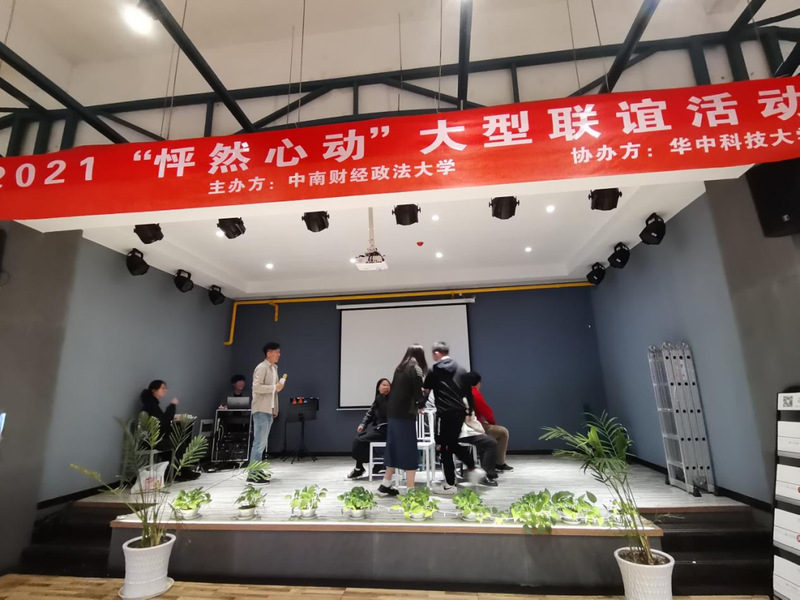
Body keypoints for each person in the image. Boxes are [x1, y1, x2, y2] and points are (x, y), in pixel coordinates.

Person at [423, 342, 486, 495]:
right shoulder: (461, 369)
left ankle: (451, 484)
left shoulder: (435, 370)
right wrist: (469, 410)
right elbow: (468, 393)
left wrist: (420, 404)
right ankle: (472, 468)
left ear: (437, 353)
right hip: (459, 412)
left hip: (444, 413)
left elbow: (426, 389)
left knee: (444, 447)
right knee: (451, 444)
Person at [381, 345, 428, 497]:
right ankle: (410, 490)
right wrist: (423, 401)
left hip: (393, 413)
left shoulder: (399, 368)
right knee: (409, 450)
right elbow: (418, 393)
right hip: (405, 414)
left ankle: (385, 484)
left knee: (393, 447)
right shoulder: (416, 369)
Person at [249, 342, 285, 483]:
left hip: (268, 410)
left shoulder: (274, 368)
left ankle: (257, 471)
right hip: (261, 409)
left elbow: (274, 392)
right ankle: (253, 474)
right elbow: (256, 388)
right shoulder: (262, 367)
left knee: (262, 444)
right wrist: (274, 387)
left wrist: (274, 409)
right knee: (259, 443)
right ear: (268, 353)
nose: (279, 355)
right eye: (277, 352)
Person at [469, 371, 513, 471]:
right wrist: (492, 423)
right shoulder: (475, 394)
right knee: (503, 432)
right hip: (474, 426)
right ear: (478, 383)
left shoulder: (459, 393)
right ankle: (499, 463)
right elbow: (487, 412)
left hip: (461, 428)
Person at [348, 378, 390, 479]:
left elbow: (386, 412)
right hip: (380, 429)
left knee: (360, 440)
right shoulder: (378, 400)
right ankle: (362, 466)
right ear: (378, 388)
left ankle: (360, 468)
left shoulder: (392, 399)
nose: (386, 387)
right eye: (384, 385)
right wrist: (363, 425)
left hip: (388, 429)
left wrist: (382, 397)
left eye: (388, 385)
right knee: (359, 437)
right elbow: (370, 414)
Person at [458, 413, 499, 486]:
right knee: (491, 443)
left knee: (486, 442)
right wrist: (479, 427)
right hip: (463, 432)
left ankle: (489, 473)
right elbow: (469, 419)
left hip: (464, 431)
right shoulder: (462, 405)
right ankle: (483, 476)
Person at [139, 380, 178, 451]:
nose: (165, 390)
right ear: (153, 390)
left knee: (176, 440)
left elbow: (161, 421)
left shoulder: (151, 403)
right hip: (152, 440)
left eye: (165, 388)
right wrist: (172, 406)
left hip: (153, 438)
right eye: (162, 388)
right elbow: (163, 425)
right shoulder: (151, 405)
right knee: (179, 442)